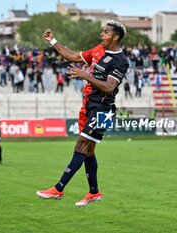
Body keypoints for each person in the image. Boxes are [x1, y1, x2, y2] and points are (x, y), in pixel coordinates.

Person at [36, 21, 129, 207]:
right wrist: (52, 40)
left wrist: (86, 76)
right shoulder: (99, 51)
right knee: (89, 151)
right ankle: (94, 192)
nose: (101, 34)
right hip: (90, 106)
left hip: (103, 109)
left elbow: (110, 87)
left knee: (82, 144)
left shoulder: (121, 61)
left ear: (115, 37)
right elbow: (71, 56)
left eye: (106, 32)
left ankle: (59, 188)